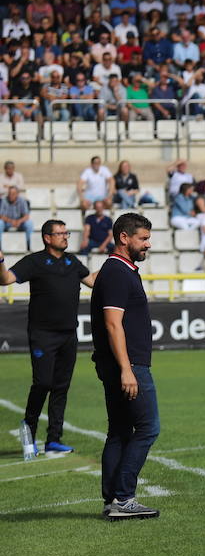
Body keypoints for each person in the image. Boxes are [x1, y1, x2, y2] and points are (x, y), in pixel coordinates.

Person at [0, 219, 95, 456]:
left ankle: (53, 440)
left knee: (61, 387)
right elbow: (6, 280)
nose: (65, 236)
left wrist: (119, 262)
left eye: (66, 232)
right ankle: (28, 430)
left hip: (68, 335)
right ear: (47, 238)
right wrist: (1, 262)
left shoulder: (72, 261)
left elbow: (93, 281)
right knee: (43, 383)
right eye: (60, 233)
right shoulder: (35, 261)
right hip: (43, 335)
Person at [91, 212, 161, 519]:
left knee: (119, 430)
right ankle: (123, 497)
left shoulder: (122, 270)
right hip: (128, 364)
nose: (148, 244)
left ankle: (112, 500)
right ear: (124, 238)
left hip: (120, 364)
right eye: (143, 238)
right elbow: (112, 324)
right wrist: (126, 369)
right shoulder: (118, 272)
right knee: (147, 428)